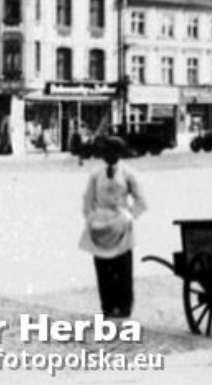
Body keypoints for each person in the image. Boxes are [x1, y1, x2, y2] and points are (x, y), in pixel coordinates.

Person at [79, 136, 147, 318]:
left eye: (111, 152)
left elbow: (142, 201)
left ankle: (124, 306)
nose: (107, 156)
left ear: (118, 153)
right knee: (103, 267)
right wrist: (92, 218)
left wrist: (129, 216)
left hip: (121, 225)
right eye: (104, 152)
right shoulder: (95, 175)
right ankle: (107, 305)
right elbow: (87, 200)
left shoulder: (128, 174)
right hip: (100, 226)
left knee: (122, 267)